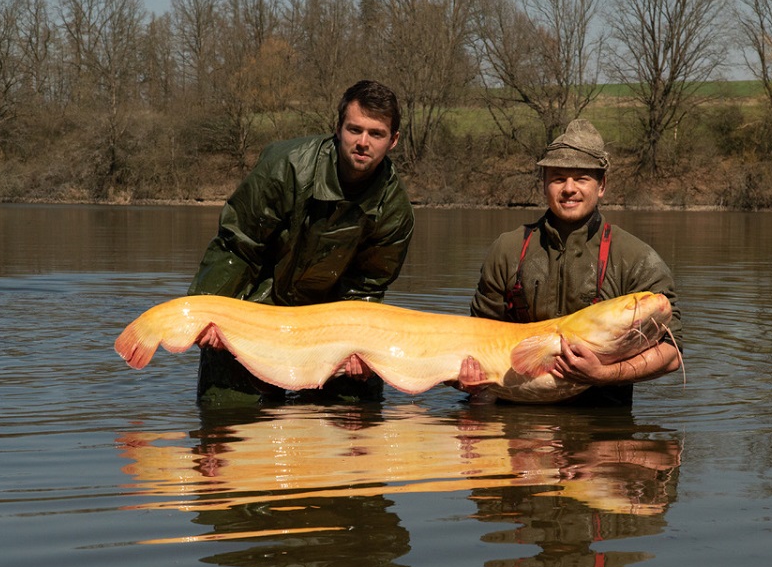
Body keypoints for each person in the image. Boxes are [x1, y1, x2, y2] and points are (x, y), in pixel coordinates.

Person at [188, 80, 415, 405]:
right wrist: (207, 312)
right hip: (254, 312)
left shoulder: (395, 209)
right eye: (354, 130)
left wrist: (359, 349)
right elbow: (237, 247)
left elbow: (366, 289)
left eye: (376, 134)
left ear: (392, 141)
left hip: (331, 330)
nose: (363, 142)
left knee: (357, 415)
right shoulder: (286, 167)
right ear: (338, 129)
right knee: (224, 424)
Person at [463, 119, 681, 406]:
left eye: (581, 178)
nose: (569, 188)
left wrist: (604, 374)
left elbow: (670, 354)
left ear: (601, 185)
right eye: (558, 177)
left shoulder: (636, 258)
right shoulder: (506, 249)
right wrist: (468, 377)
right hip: (513, 419)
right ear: (544, 184)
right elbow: (478, 335)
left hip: (601, 420)